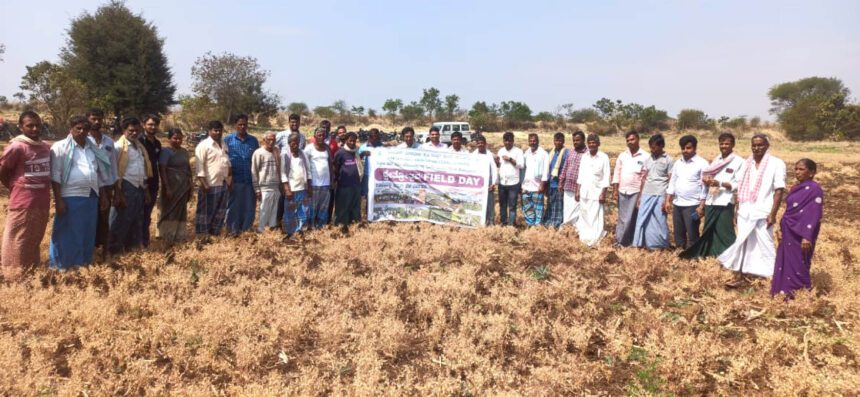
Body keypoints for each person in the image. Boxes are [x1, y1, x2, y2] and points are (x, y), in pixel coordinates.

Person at [719, 134, 786, 283]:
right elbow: (740, 187)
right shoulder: (746, 163)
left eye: (760, 145)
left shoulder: (776, 163)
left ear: (767, 146)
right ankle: (740, 274)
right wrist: (737, 210)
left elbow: (779, 190)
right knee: (743, 242)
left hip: (763, 211)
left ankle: (772, 275)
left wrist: (773, 214)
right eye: (754, 145)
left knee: (765, 243)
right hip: (745, 210)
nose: (757, 148)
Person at [49, 116, 113, 269]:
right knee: (67, 232)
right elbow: (55, 175)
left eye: (85, 129)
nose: (82, 131)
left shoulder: (92, 148)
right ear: (70, 129)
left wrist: (103, 195)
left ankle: (82, 264)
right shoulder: (60, 147)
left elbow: (97, 173)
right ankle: (61, 266)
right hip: (70, 196)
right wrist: (59, 200)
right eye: (78, 128)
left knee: (86, 231)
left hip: (91, 195)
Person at [0, 111, 51, 280]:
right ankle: (13, 276)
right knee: (17, 239)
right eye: (30, 125)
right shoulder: (17, 146)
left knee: (34, 238)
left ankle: (30, 273)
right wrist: (14, 187)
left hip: (42, 201)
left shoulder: (45, 146)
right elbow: (3, 170)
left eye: (37, 124)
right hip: (23, 201)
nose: (35, 128)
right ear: (20, 127)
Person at [680, 133, 744, 259]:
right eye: (721, 143)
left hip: (725, 200)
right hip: (711, 200)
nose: (724, 146)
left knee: (725, 231)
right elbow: (709, 175)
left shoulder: (739, 161)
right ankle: (710, 253)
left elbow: (738, 184)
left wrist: (720, 183)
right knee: (709, 230)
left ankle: (729, 256)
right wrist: (707, 180)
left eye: (727, 143)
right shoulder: (717, 159)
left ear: (733, 145)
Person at [771, 159, 824, 298]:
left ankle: (800, 293)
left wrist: (807, 236)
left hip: (802, 234)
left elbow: (814, 214)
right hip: (788, 230)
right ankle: (783, 292)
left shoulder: (815, 189)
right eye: (796, 169)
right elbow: (789, 211)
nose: (797, 172)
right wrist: (781, 228)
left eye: (801, 169)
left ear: (812, 172)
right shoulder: (795, 188)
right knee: (785, 261)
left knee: (800, 263)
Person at [109, 117, 152, 254]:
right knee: (120, 221)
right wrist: (118, 192)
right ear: (124, 130)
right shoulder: (118, 147)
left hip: (138, 188)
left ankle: (131, 252)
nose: (134, 133)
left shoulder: (139, 146)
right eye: (130, 130)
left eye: (136, 130)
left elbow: (142, 169)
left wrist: (145, 190)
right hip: (125, 187)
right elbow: (114, 170)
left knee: (136, 221)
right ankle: (114, 251)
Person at [664, 135, 708, 249]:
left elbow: (705, 187)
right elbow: (673, 182)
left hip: (693, 205)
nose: (685, 151)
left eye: (688, 148)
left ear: (695, 148)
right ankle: (680, 252)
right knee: (678, 232)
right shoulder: (678, 163)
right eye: (683, 148)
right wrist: (668, 200)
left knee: (692, 232)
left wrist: (702, 205)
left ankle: (693, 255)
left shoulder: (702, 163)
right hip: (678, 203)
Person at [86, 108, 118, 261]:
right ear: (88, 119)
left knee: (105, 221)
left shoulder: (108, 141)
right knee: (90, 220)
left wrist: (115, 188)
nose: (97, 122)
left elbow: (113, 167)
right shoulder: (83, 140)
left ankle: (104, 253)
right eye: (93, 118)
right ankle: (89, 252)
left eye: (99, 119)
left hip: (106, 186)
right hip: (89, 187)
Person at [632, 135, 673, 250]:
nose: (652, 150)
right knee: (642, 219)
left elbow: (671, 180)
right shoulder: (648, 159)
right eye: (650, 147)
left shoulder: (668, 160)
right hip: (646, 193)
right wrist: (640, 197)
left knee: (659, 220)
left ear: (661, 146)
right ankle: (640, 243)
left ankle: (660, 245)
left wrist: (667, 199)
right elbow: (644, 178)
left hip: (660, 194)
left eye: (654, 147)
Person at [224, 114, 260, 236]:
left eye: (245, 124)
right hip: (235, 179)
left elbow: (257, 160)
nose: (243, 126)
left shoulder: (253, 141)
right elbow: (224, 161)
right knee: (234, 207)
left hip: (250, 180)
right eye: (240, 124)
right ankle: (232, 231)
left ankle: (246, 231)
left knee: (249, 207)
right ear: (236, 125)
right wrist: (228, 179)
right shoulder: (228, 140)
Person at [195, 120, 232, 237]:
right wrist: (204, 184)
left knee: (220, 212)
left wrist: (230, 180)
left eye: (220, 130)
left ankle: (214, 235)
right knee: (205, 213)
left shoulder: (224, 144)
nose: (218, 132)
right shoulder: (203, 145)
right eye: (215, 130)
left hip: (223, 183)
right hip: (210, 184)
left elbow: (227, 163)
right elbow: (199, 167)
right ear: (209, 131)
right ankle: (202, 236)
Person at [157, 128, 193, 245]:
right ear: (169, 138)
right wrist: (167, 187)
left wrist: (190, 185)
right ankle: (166, 235)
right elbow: (162, 169)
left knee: (181, 210)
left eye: (180, 138)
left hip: (183, 186)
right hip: (171, 185)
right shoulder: (166, 152)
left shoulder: (184, 152)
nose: (178, 140)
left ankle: (179, 235)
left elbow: (188, 168)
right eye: (175, 138)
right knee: (169, 209)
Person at [611, 131, 647, 246]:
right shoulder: (623, 155)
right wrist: (615, 190)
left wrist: (641, 195)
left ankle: (627, 241)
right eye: (627, 140)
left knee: (630, 219)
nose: (630, 142)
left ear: (638, 139)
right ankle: (619, 240)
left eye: (632, 139)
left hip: (636, 192)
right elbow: (617, 173)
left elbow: (645, 178)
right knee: (622, 218)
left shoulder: (645, 156)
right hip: (622, 190)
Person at [575, 134, 610, 247]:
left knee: (596, 216)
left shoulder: (604, 157)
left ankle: (595, 239)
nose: (591, 145)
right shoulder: (584, 157)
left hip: (597, 192)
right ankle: (585, 238)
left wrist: (603, 193)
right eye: (589, 143)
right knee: (584, 215)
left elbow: (606, 176)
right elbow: (580, 175)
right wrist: (577, 190)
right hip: (585, 191)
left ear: (598, 144)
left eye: (594, 142)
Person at [280, 133, 312, 237]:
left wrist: (309, 185)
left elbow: (308, 170)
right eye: (293, 143)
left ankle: (300, 230)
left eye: (297, 143)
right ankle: (290, 232)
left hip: (302, 188)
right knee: (290, 211)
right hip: (291, 189)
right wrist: (287, 189)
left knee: (302, 210)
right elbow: (283, 173)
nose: (295, 145)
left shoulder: (303, 154)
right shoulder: (285, 156)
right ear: (289, 144)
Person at [251, 132, 282, 232]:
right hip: (264, 187)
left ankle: (271, 230)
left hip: (275, 186)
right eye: (268, 139)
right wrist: (257, 189)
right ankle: (261, 230)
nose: (271, 142)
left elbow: (280, 168)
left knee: (274, 210)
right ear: (264, 140)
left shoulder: (277, 151)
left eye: (273, 139)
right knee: (264, 210)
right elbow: (254, 171)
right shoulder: (258, 153)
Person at [139, 114, 162, 246]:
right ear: (144, 125)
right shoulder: (139, 141)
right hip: (141, 183)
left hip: (154, 183)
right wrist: (145, 185)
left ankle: (145, 242)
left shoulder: (157, 143)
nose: (152, 127)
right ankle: (136, 242)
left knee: (147, 215)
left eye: (155, 125)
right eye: (150, 124)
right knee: (138, 214)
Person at [305, 128, 333, 228]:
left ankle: (321, 226)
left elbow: (330, 164)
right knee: (312, 207)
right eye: (319, 135)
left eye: (323, 135)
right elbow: (305, 166)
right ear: (315, 136)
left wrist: (332, 180)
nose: (321, 137)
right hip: (313, 184)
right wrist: (308, 183)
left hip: (326, 184)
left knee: (323, 207)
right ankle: (310, 226)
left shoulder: (327, 148)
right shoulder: (309, 148)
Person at [558, 131, 587, 228]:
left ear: (583, 140)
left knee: (578, 210)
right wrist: (561, 182)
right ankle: (567, 228)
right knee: (567, 208)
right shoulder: (571, 152)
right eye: (574, 140)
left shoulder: (587, 154)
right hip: (568, 185)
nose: (575, 142)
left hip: (580, 188)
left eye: (578, 140)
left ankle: (575, 229)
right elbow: (565, 167)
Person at [333, 132, 362, 226]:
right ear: (346, 141)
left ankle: (354, 223)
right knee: (343, 206)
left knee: (355, 206)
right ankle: (340, 225)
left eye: (354, 141)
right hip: (344, 185)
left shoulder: (356, 152)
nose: (353, 143)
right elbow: (335, 168)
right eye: (350, 140)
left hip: (356, 184)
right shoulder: (340, 153)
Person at [497, 132, 524, 226]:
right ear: (503, 141)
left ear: (513, 141)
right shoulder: (500, 151)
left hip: (513, 183)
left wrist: (510, 159)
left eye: (510, 140)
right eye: (506, 140)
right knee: (502, 205)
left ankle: (511, 225)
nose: (507, 142)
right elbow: (499, 165)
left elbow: (521, 165)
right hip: (502, 183)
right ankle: (503, 223)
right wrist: (497, 162)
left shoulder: (518, 151)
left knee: (512, 206)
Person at [521, 133, 548, 226]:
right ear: (528, 142)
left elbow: (546, 170)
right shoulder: (526, 153)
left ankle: (538, 226)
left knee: (538, 208)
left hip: (537, 186)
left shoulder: (543, 154)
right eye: (530, 141)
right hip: (527, 186)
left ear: (538, 141)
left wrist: (542, 184)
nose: (532, 142)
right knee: (527, 207)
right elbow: (522, 167)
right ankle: (530, 224)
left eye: (534, 141)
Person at [543, 132, 568, 228]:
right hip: (551, 183)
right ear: (554, 141)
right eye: (556, 140)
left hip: (560, 183)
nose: (558, 142)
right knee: (550, 203)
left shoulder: (566, 153)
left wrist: (561, 182)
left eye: (560, 140)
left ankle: (557, 223)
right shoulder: (551, 152)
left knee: (559, 205)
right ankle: (549, 222)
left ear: (563, 141)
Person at [472, 135, 498, 225]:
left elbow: (494, 169)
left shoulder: (490, 155)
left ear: (485, 144)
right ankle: (479, 223)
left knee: (490, 204)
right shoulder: (473, 155)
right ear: (476, 144)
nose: (480, 145)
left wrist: (494, 183)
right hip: (477, 183)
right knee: (478, 203)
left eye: (482, 143)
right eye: (478, 143)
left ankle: (490, 223)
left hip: (489, 183)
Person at [326, 125, 348, 224]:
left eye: (343, 132)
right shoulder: (334, 145)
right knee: (331, 199)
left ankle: (340, 220)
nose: (342, 134)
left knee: (342, 200)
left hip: (346, 177)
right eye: (339, 133)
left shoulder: (350, 144)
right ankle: (328, 220)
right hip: (335, 176)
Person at [358, 128, 384, 199]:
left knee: (378, 196)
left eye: (376, 137)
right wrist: (363, 153)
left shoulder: (382, 147)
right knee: (367, 195)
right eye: (373, 137)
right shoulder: (363, 147)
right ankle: (367, 209)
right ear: (369, 137)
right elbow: (357, 159)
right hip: (367, 175)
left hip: (379, 175)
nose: (375, 139)